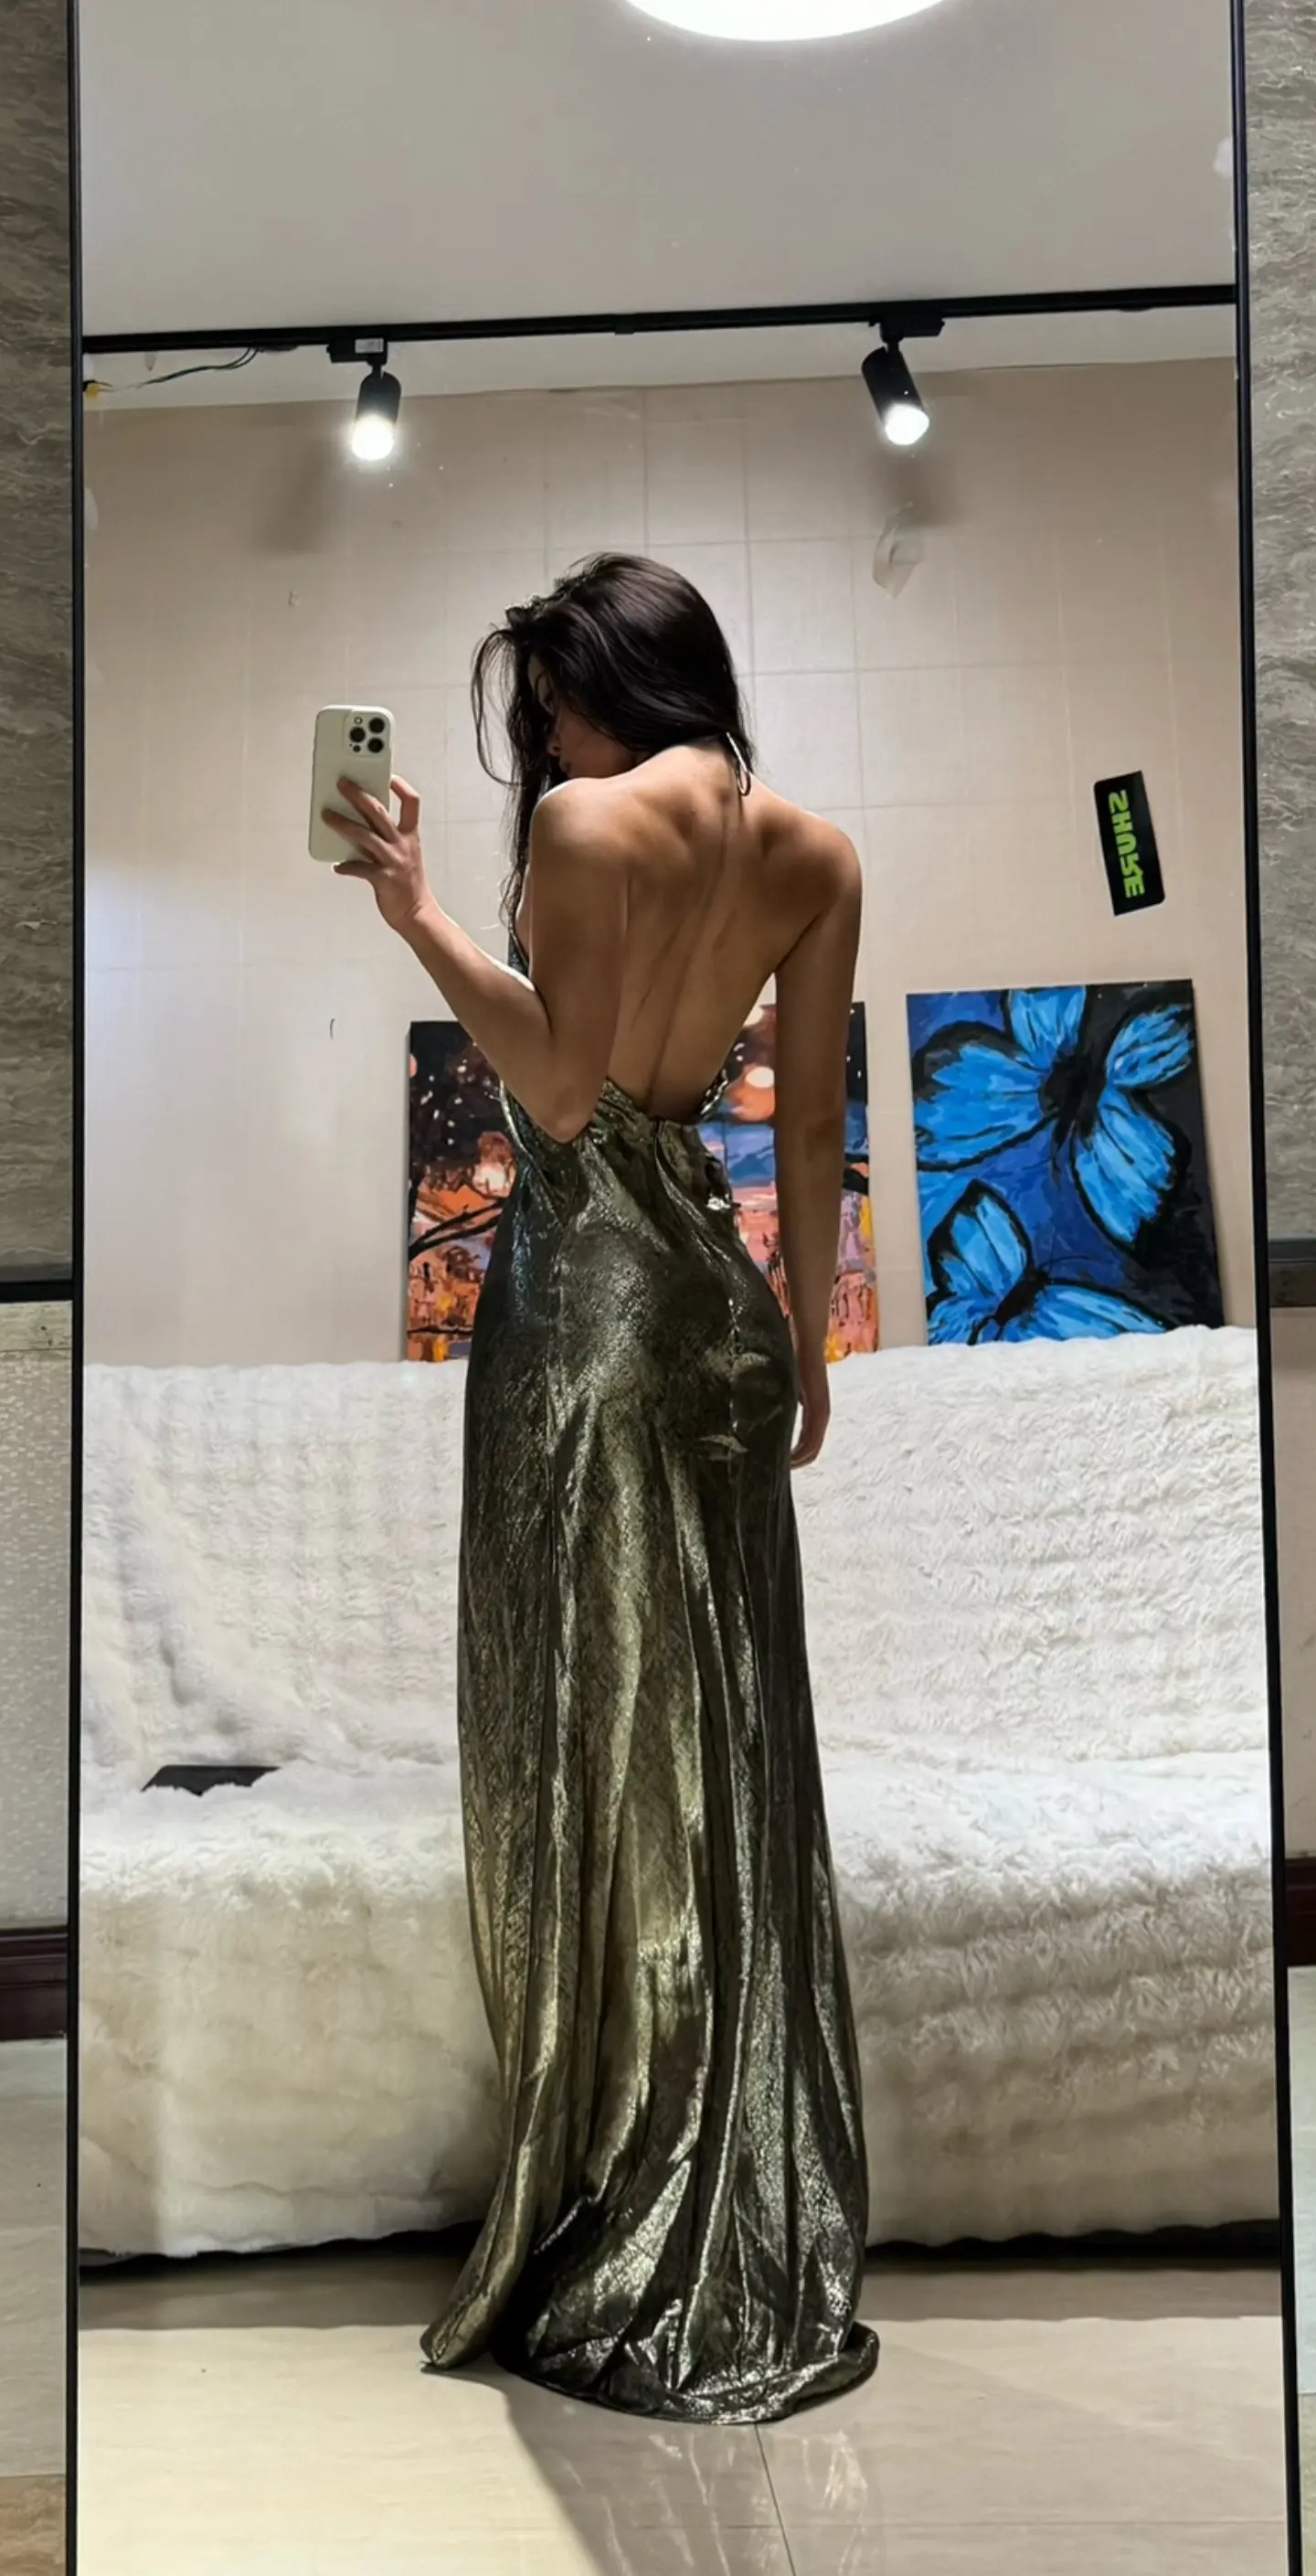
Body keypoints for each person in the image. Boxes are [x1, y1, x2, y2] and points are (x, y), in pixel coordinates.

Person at [324, 552, 877, 2422]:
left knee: (590, 1727)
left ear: (609, 686)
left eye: (550, 703)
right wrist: (806, 1337)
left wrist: (416, 913)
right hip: (719, 1309)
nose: (544, 742)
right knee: (722, 1734)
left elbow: (562, 1098)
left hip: (591, 1312)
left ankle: (624, 2169)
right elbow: (810, 1120)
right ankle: (737, 2166)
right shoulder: (814, 853)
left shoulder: (580, 823)